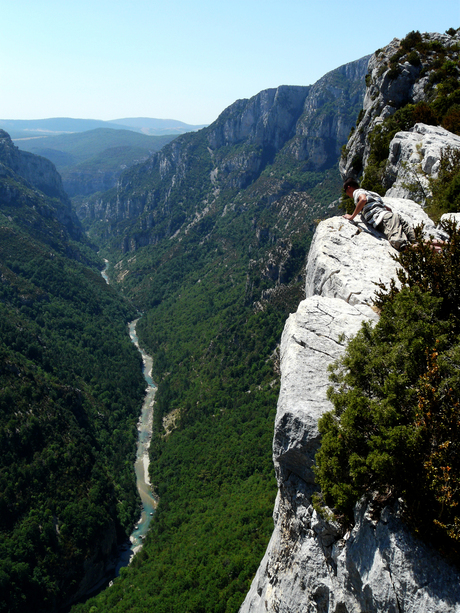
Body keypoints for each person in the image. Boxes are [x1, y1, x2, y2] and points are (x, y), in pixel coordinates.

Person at [342, 178, 416, 251]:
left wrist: (352, 217)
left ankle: (419, 249)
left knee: (398, 243)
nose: (346, 194)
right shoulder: (373, 193)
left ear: (349, 188)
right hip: (392, 217)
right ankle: (424, 247)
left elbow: (363, 200)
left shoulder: (357, 192)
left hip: (384, 219)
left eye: (345, 191)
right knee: (415, 239)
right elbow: (388, 209)